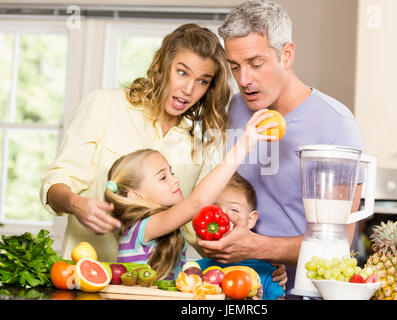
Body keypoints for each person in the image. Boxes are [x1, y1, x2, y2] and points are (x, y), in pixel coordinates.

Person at [197, 0, 365, 296]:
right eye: (235, 67)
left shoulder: (336, 125)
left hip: (304, 291)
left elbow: (340, 243)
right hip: (237, 288)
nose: (244, 80)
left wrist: (257, 247)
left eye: (256, 64)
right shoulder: (236, 109)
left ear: (287, 55)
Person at [40, 24, 232, 262]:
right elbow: (55, 183)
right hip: (86, 277)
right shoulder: (105, 105)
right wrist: (76, 203)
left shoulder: (202, 142)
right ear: (162, 64)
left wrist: (252, 262)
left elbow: (195, 225)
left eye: (203, 81)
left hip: (155, 288)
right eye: (182, 72)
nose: (189, 89)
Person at [103, 110, 277, 280]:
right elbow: (198, 201)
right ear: (136, 195)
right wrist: (243, 145)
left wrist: (268, 267)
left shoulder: (161, 227)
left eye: (172, 172)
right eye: (163, 177)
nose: (175, 180)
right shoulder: (142, 228)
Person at [196, 172, 286, 300]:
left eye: (234, 210)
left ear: (250, 220)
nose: (223, 217)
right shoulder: (196, 272)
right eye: (215, 209)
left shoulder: (272, 274)